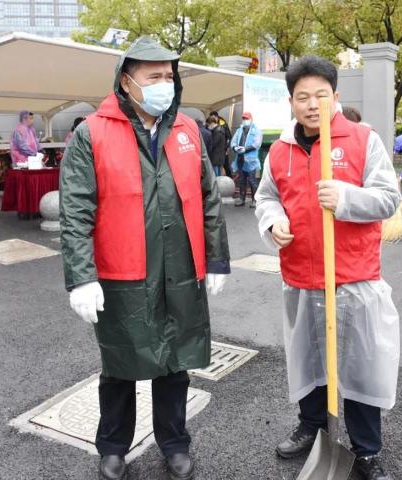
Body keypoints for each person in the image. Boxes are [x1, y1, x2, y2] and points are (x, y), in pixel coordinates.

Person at [59, 36, 230, 480]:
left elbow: (208, 199)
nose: (164, 84)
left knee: (174, 362)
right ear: (126, 81)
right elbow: (75, 210)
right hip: (123, 273)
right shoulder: (92, 133)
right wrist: (81, 277)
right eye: (153, 77)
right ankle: (113, 446)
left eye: (169, 76)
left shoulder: (187, 130)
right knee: (120, 364)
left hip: (179, 269)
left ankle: (174, 442)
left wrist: (216, 259)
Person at [255, 56, 401, 480]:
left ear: (335, 96)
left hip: (352, 277)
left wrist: (347, 198)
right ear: (291, 101)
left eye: (321, 95)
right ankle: (312, 426)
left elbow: (388, 197)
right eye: (302, 97)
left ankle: (366, 449)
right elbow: (266, 197)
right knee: (309, 360)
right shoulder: (280, 150)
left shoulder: (362, 139)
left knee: (359, 367)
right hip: (301, 277)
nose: (311, 104)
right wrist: (273, 221)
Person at [231, 112, 263, 208]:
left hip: (251, 161)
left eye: (247, 118)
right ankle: (242, 199)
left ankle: (255, 200)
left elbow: (257, 144)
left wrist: (246, 149)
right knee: (241, 180)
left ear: (251, 119)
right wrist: (235, 148)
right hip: (240, 158)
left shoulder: (256, 130)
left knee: (252, 180)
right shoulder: (239, 130)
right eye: (244, 118)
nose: (245, 120)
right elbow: (233, 141)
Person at [209, 110, 232, 176]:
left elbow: (229, 137)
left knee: (225, 165)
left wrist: (226, 148)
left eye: (213, 117)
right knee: (220, 166)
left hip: (223, 148)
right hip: (218, 150)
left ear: (216, 117)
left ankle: (230, 178)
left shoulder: (222, 123)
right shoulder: (215, 124)